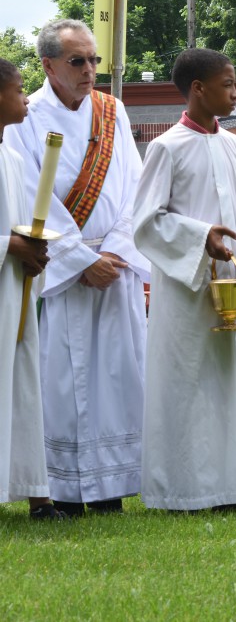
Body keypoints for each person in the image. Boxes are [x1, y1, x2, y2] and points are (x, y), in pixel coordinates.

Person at [5, 19, 149, 516]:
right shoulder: (25, 115)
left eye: (94, 60)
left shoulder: (113, 111)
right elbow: (28, 197)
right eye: (77, 61)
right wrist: (82, 260)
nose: (90, 70)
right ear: (49, 66)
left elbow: (136, 188)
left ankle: (111, 488)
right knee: (58, 383)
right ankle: (58, 490)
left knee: (116, 379)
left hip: (115, 265)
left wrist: (115, 250)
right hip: (59, 273)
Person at [133, 48, 236, 512]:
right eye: (228, 84)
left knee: (228, 383)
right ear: (198, 89)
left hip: (231, 284)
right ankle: (181, 491)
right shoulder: (166, 147)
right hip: (186, 285)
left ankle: (231, 490)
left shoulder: (235, 145)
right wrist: (200, 236)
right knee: (186, 382)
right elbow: (147, 222)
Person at [0, 58, 66, 520]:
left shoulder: (14, 158)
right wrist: (11, 245)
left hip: (14, 291)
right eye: (18, 87)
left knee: (22, 385)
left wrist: (34, 250)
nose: (25, 96)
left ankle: (34, 492)